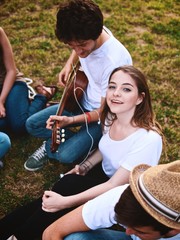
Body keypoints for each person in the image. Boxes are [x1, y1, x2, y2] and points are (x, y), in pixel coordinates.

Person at [0, 65, 163, 240]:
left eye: (126, 89)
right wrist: (84, 167)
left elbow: (114, 186)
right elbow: (105, 148)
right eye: (112, 86)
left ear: (140, 98)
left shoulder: (148, 140)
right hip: (105, 177)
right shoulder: (111, 117)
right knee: (58, 191)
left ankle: (20, 236)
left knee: (66, 191)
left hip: (124, 195)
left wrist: (65, 203)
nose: (116, 93)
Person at [24, 0, 133, 171]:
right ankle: (72, 141)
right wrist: (68, 64)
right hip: (79, 99)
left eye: (82, 45)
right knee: (32, 124)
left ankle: (58, 144)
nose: (78, 52)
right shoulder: (88, 34)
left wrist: (70, 120)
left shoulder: (114, 63)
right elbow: (77, 46)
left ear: (96, 34)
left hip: (103, 117)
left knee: (64, 155)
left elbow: (105, 111)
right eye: (71, 46)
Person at [42, 160, 180, 240]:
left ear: (174, 230)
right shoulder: (118, 197)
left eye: (141, 231)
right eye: (126, 225)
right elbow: (52, 233)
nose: (127, 231)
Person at [0, 27, 57, 135]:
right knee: (2, 125)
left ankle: (42, 95)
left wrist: (1, 101)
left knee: (20, 126)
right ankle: (28, 107)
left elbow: (11, 70)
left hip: (11, 83)